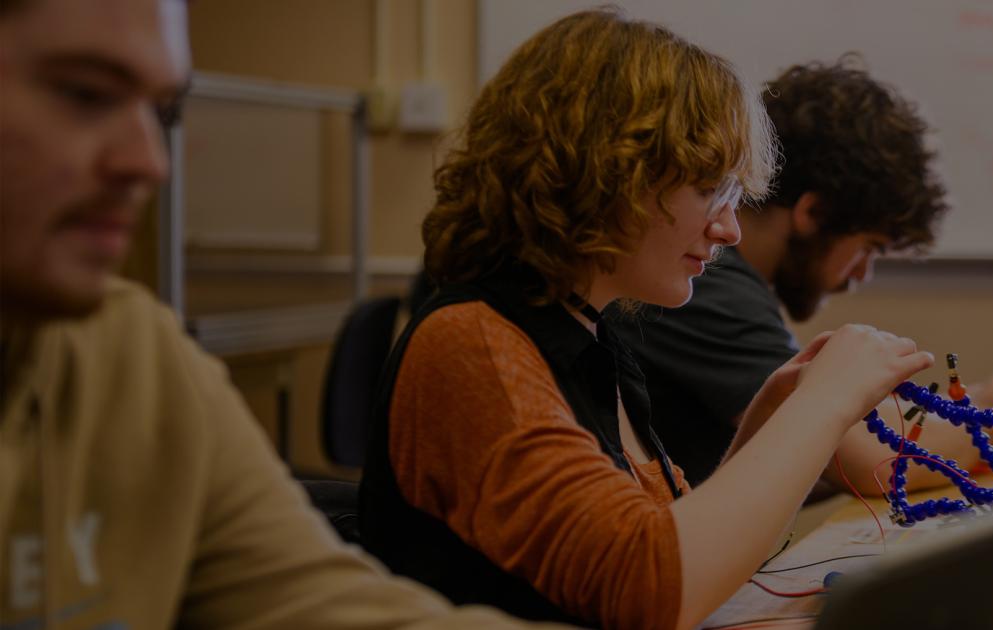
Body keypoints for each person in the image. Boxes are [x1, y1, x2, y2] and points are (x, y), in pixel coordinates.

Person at [357, 9, 934, 630]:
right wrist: (821, 408)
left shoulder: (595, 333)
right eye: (709, 188)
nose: (729, 229)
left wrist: (772, 421)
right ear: (609, 172)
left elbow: (692, 551)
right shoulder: (472, 345)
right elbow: (650, 589)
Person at [0, 0, 553, 627]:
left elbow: (331, 609)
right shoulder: (473, 335)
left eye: (164, 112)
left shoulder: (133, 353)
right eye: (85, 93)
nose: (150, 162)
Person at [608, 59, 993, 493]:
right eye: (868, 247)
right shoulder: (706, 285)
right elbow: (870, 461)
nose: (862, 274)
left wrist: (981, 399)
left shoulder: (724, 280)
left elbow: (855, 419)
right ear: (814, 211)